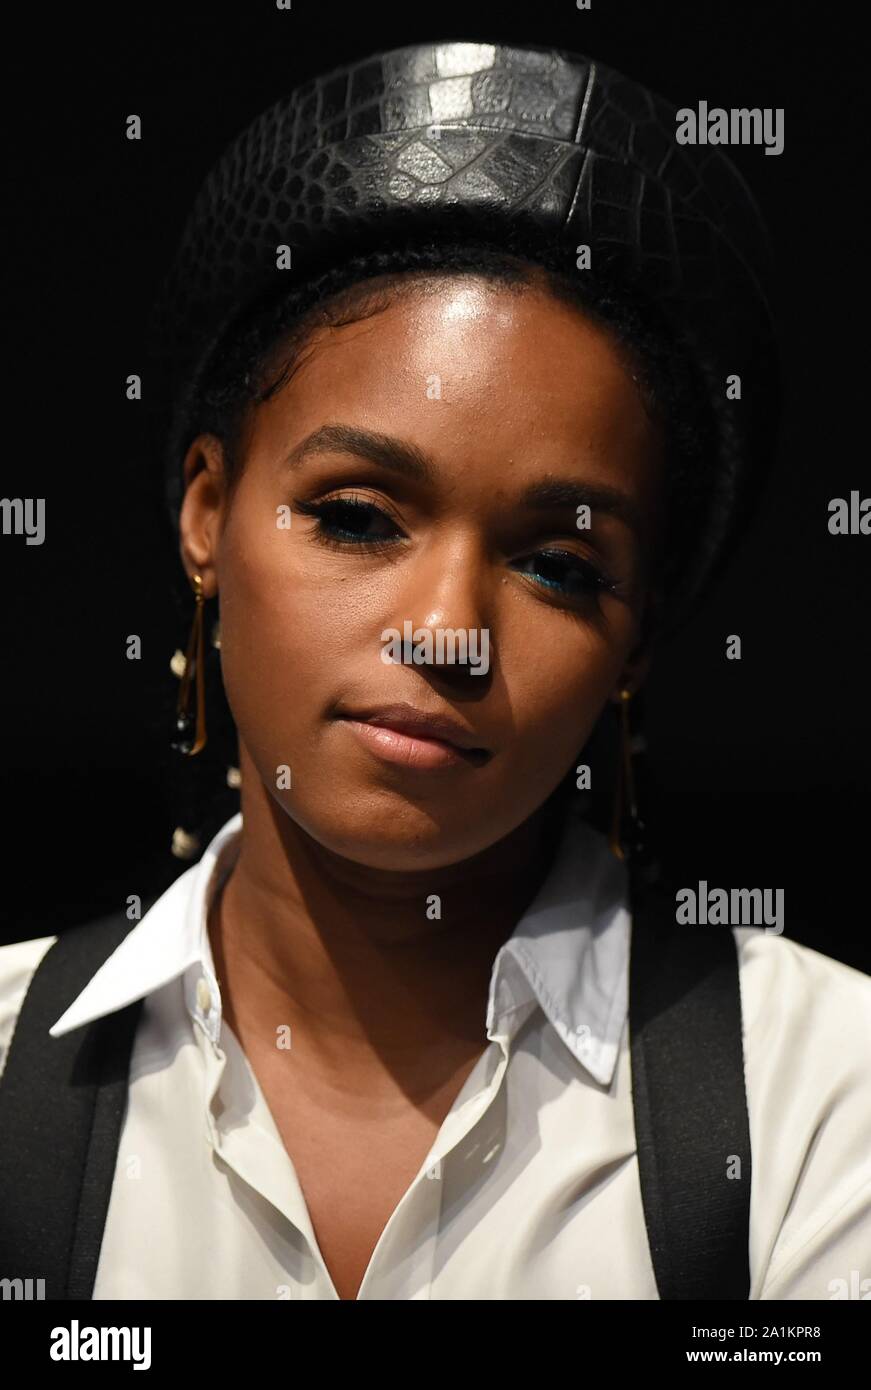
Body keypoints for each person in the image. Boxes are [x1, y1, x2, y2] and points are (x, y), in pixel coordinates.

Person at [1, 39, 868, 1302]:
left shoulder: (823, 1105)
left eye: (560, 566)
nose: (449, 630)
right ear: (207, 512)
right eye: (357, 516)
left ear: (637, 635)